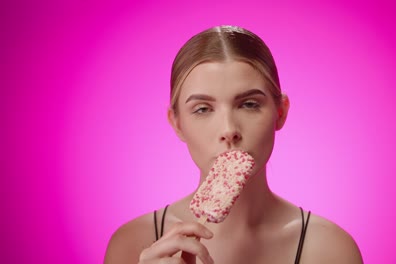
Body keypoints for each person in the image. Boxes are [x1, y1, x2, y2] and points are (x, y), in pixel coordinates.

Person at [104, 25, 363, 264]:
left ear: (280, 112)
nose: (229, 130)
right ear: (177, 124)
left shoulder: (329, 249)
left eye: (249, 104)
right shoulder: (134, 244)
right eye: (203, 109)